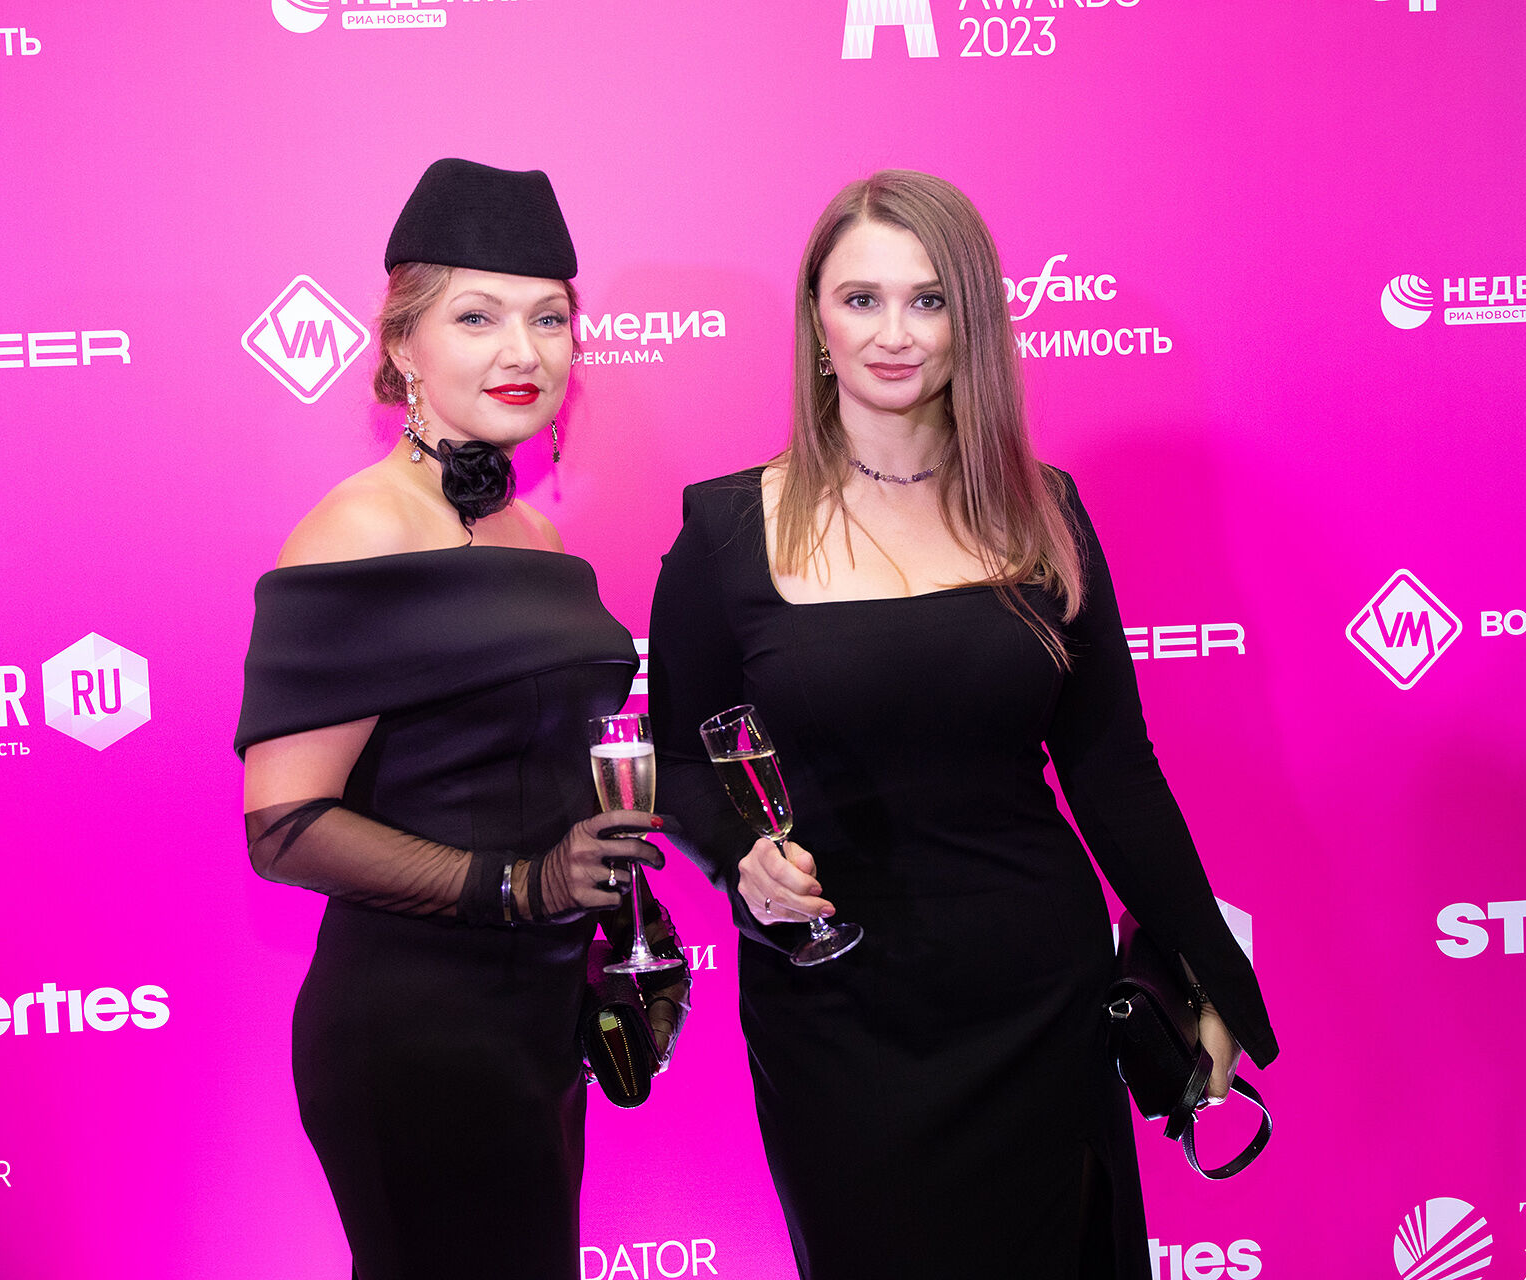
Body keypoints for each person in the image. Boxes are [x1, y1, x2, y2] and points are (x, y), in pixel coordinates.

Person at [647, 170, 1277, 1279]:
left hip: (1038, 991)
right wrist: (742, 862)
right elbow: (678, 756)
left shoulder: (1044, 510)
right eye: (862, 298)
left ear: (973, 319)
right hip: (835, 1005)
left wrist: (1210, 968)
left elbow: (1112, 767)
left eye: (929, 300)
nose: (894, 333)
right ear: (816, 320)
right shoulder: (726, 528)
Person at [235, 158, 685, 1280]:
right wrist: (520, 885)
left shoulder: (534, 534)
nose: (522, 351)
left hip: (535, 1017)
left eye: (548, 318)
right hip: (417, 1029)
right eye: (477, 317)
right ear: (403, 346)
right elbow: (283, 826)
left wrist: (615, 911)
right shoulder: (359, 529)